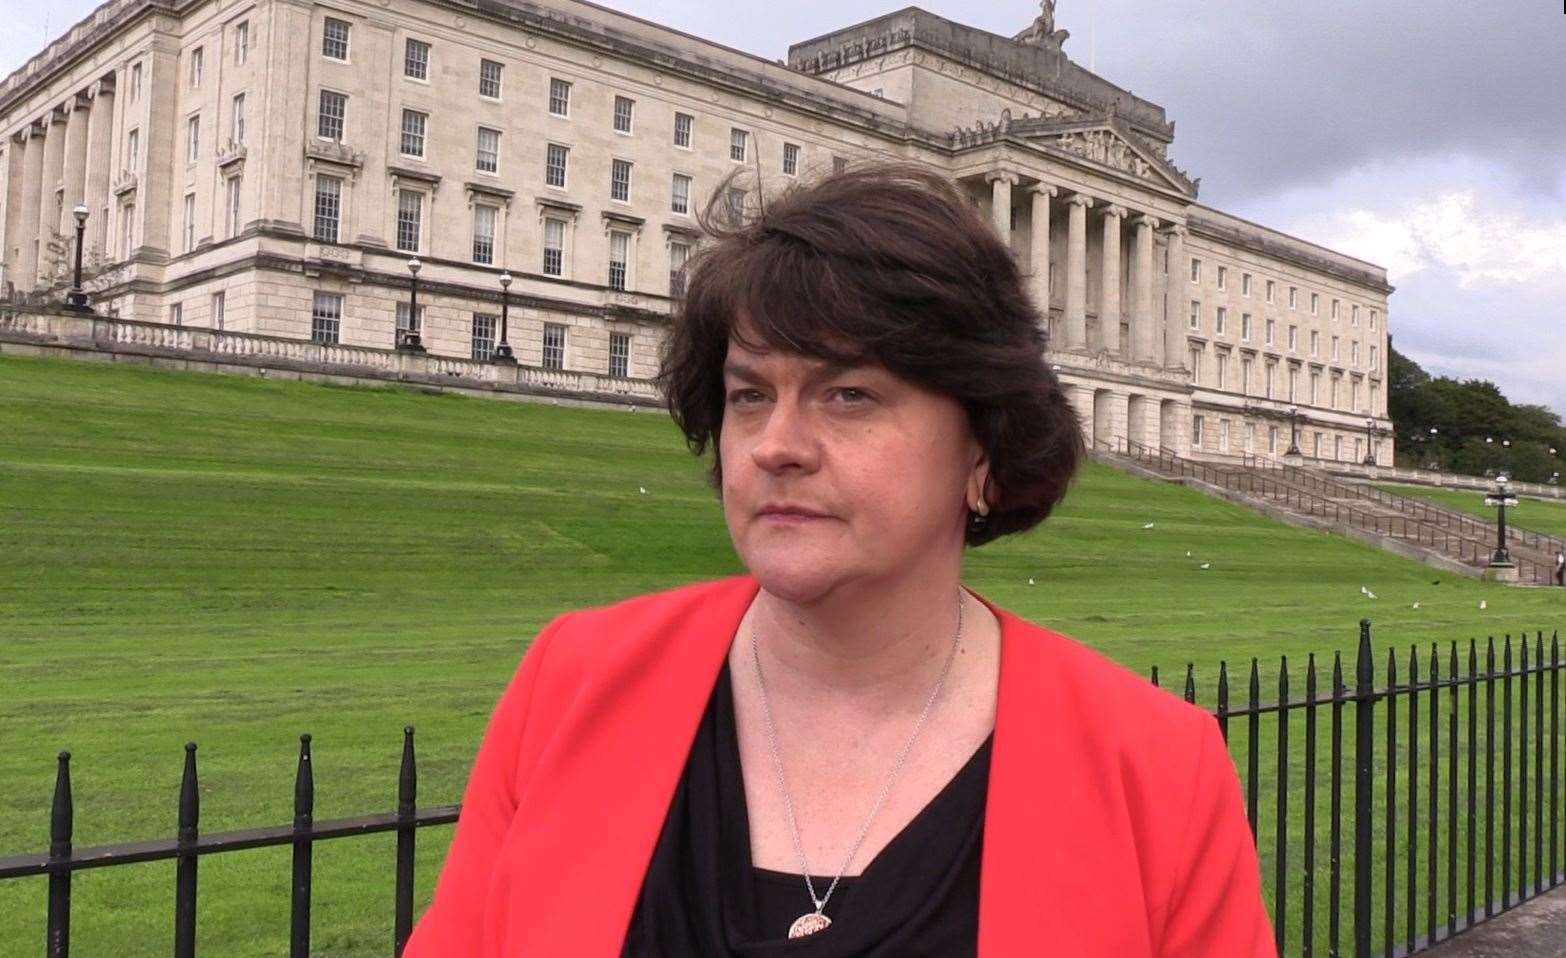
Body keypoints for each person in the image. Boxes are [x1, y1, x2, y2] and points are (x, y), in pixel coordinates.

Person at [404, 163, 1275, 957]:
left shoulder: (1156, 767)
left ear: (982, 448)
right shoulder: (575, 682)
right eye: (751, 396)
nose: (776, 446)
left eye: (848, 395)